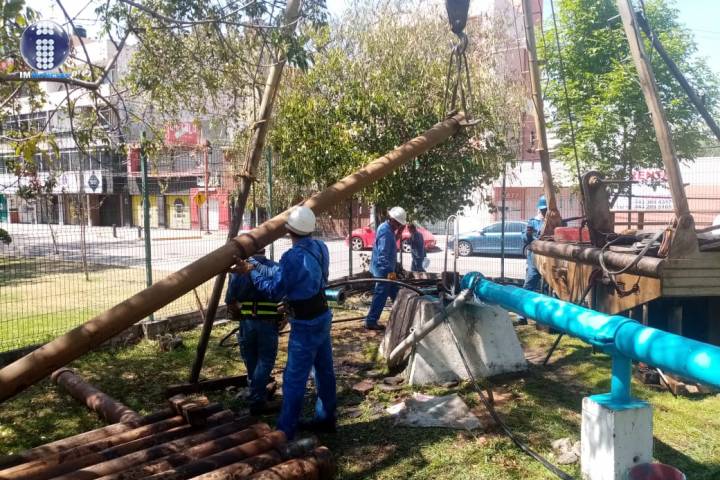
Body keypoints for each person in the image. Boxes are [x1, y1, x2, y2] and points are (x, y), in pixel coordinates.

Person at [232, 206, 336, 440]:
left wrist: (250, 272)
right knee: (324, 370)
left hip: (305, 325)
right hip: (322, 317)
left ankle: (285, 432)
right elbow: (287, 275)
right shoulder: (320, 247)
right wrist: (257, 265)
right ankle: (326, 418)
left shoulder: (292, 257)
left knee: (294, 379)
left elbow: (274, 289)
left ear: (289, 231)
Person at [226, 248, 282, 416]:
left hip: (247, 321)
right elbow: (282, 295)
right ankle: (257, 398)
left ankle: (256, 392)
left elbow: (230, 301)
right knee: (265, 360)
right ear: (265, 249)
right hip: (268, 322)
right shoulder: (276, 268)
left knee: (251, 358)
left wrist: (240, 314)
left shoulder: (238, 271)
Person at [365, 206, 407, 331]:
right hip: (383, 269)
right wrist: (390, 272)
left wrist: (398, 234)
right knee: (381, 294)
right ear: (393, 220)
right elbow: (383, 255)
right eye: (398, 224)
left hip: (387, 269)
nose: (399, 227)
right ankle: (371, 321)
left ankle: (402, 315)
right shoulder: (385, 231)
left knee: (395, 293)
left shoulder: (387, 229)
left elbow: (389, 244)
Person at [518, 195, 547, 325]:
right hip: (534, 258)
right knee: (529, 284)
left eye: (546, 209)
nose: (544, 212)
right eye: (543, 209)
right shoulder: (533, 222)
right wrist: (528, 234)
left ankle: (547, 318)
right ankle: (522, 316)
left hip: (549, 259)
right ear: (539, 209)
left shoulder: (557, 221)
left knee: (549, 287)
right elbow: (524, 238)